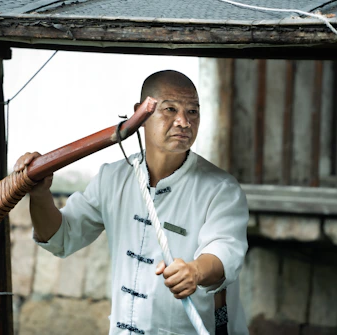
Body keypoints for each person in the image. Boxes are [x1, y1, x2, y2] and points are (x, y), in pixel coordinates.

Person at [14, 70, 249, 335]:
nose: (183, 121)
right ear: (141, 113)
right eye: (170, 109)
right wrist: (40, 194)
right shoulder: (112, 178)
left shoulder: (221, 189)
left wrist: (195, 271)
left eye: (192, 112)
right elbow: (60, 237)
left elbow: (225, 252)